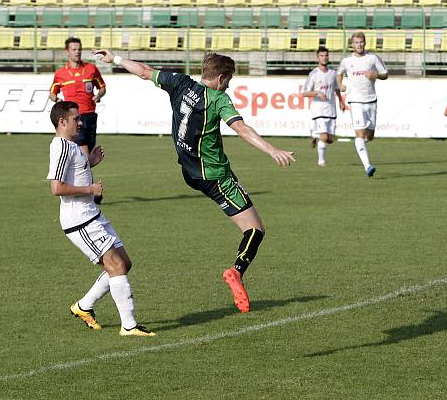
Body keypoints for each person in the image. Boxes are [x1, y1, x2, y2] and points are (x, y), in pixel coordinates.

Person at [92, 50, 296, 313]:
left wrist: (116, 59)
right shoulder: (219, 99)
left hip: (190, 173)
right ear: (221, 78)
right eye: (230, 79)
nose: (229, 84)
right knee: (255, 230)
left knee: (248, 223)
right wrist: (272, 150)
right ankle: (236, 272)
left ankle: (237, 272)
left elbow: (144, 71)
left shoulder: (180, 82)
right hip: (215, 175)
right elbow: (241, 128)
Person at [47, 101, 154, 336]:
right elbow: (56, 188)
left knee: (124, 263)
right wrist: (90, 190)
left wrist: (90, 162)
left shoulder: (72, 145)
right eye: (76, 118)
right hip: (79, 220)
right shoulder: (61, 147)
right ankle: (129, 325)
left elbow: (74, 173)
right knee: (115, 266)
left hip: (92, 215)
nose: (81, 122)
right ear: (62, 122)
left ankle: (84, 307)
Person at [49, 37, 106, 204]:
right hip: (74, 119)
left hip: (90, 115)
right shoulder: (60, 73)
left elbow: (102, 87)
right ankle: (92, 190)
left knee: (88, 151)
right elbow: (52, 93)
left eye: (79, 49)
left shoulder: (91, 69)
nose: (77, 51)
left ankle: (89, 187)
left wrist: (98, 95)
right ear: (67, 51)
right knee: (84, 152)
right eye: (74, 49)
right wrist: (57, 101)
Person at [336, 32, 388, 177]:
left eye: (361, 42)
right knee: (359, 134)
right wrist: (340, 85)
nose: (359, 45)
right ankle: (368, 166)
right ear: (352, 44)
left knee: (369, 136)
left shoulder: (373, 58)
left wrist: (375, 75)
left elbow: (385, 74)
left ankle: (362, 144)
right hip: (355, 100)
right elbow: (339, 72)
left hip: (371, 100)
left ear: (365, 43)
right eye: (356, 42)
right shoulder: (347, 61)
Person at [302, 46, 345, 166]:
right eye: (321, 55)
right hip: (318, 110)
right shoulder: (314, 74)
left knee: (330, 139)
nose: (324, 58)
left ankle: (314, 135)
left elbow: (336, 89)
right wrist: (317, 92)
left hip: (331, 110)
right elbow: (304, 92)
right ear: (317, 58)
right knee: (325, 137)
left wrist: (341, 101)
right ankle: (321, 161)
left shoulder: (333, 73)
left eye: (326, 55)